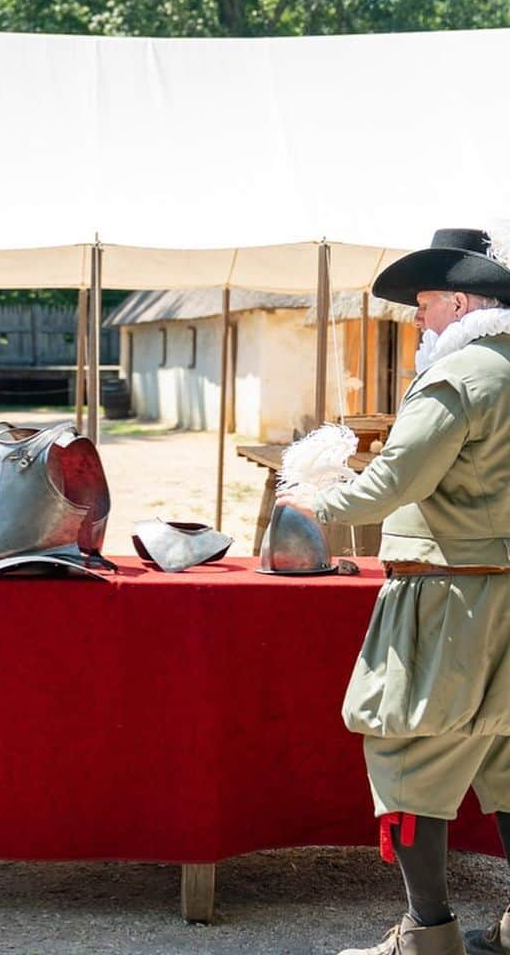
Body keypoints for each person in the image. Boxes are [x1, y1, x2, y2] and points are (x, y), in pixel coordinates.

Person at [278, 228, 510, 955]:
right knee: (506, 754)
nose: (416, 320)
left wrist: (319, 503)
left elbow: (399, 480)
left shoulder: (461, 376)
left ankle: (427, 937)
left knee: (407, 747)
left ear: (462, 301)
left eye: (424, 304)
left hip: (450, 592)